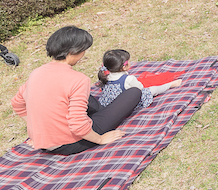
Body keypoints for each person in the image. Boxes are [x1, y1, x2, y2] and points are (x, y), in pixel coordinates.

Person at [11, 26, 137, 156]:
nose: (84, 54)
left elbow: (17, 103)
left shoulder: (36, 73)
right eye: (83, 50)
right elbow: (77, 125)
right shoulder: (79, 79)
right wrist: (100, 139)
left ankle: (100, 112)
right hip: (71, 142)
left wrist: (36, 133)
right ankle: (101, 114)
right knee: (134, 92)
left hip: (44, 142)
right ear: (73, 51)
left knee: (83, 97)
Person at [97, 49, 182, 110]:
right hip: (125, 104)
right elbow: (140, 89)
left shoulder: (105, 75)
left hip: (109, 104)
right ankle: (170, 85)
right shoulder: (128, 79)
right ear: (124, 67)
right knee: (151, 90)